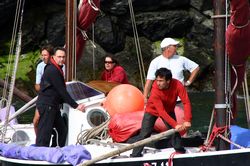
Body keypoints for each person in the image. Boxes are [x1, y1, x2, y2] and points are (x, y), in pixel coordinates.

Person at [130, 68, 192, 157]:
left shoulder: (178, 85)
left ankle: (180, 151)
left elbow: (186, 102)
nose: (158, 83)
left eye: (161, 81)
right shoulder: (155, 90)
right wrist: (175, 125)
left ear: (168, 81)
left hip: (169, 110)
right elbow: (161, 112)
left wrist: (187, 120)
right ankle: (135, 155)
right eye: (157, 80)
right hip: (152, 110)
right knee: (144, 134)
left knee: (174, 132)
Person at [36, 47, 85, 147]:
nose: (61, 59)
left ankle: (55, 151)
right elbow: (62, 91)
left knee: (62, 130)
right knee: (44, 134)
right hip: (47, 105)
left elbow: (60, 92)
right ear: (53, 57)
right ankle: (40, 156)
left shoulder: (56, 68)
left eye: (63, 57)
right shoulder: (52, 70)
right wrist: (76, 106)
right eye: (59, 57)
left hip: (53, 106)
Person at [143, 37, 199, 102]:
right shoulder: (155, 62)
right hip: (162, 100)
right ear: (167, 48)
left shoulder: (181, 59)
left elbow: (196, 68)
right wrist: (145, 98)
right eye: (174, 46)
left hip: (179, 99)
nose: (176, 48)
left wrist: (188, 82)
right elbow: (149, 81)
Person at [33, 44, 54, 135]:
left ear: (51, 55)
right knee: (36, 121)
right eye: (42, 55)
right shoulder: (40, 66)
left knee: (51, 123)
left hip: (54, 98)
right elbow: (37, 85)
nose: (43, 57)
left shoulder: (58, 67)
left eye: (45, 55)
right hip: (43, 96)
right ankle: (38, 139)